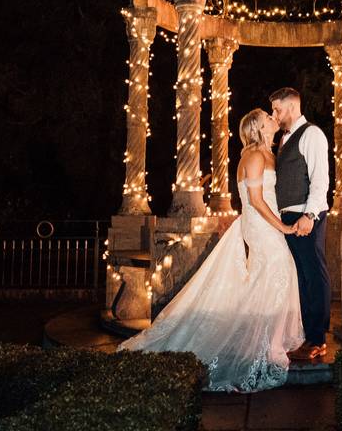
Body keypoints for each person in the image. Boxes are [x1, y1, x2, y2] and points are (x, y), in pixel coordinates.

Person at [118, 108, 304, 392]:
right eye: (267, 117)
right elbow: (255, 199)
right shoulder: (254, 156)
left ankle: (265, 344)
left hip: (264, 226)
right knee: (277, 275)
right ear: (258, 127)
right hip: (261, 225)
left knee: (271, 279)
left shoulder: (267, 153)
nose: (272, 118)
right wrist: (284, 227)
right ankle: (263, 347)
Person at [269, 87, 331, 361]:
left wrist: (310, 215)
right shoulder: (284, 139)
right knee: (301, 279)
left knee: (314, 276)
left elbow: (320, 181)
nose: (275, 115)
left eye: (277, 109)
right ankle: (305, 335)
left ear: (292, 107)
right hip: (288, 218)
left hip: (306, 216)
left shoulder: (312, 134)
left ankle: (318, 338)